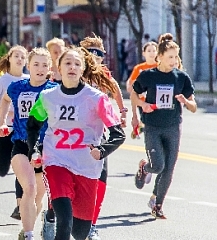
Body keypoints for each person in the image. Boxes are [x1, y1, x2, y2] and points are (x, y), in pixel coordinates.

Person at [28, 47, 125, 240]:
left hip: (87, 166)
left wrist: (102, 150)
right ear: (59, 68)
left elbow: (118, 134)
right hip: (56, 160)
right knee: (64, 219)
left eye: (77, 64)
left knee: (80, 233)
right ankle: (51, 218)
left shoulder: (97, 99)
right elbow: (32, 126)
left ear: (83, 70)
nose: (72, 67)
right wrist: (35, 150)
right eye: (67, 63)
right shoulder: (48, 97)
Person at [132, 33, 197, 219]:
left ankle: (157, 204)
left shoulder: (181, 78)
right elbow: (134, 95)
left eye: (176, 57)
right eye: (170, 57)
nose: (174, 61)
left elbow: (193, 106)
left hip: (173, 127)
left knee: (169, 169)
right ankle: (145, 167)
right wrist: (142, 106)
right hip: (153, 126)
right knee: (158, 166)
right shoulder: (148, 76)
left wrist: (185, 101)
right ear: (159, 57)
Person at [0, 48, 58, 240]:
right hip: (22, 145)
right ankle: (30, 235)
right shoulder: (17, 87)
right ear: (28, 66)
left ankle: (26, 229)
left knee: (38, 197)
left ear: (49, 68)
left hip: (45, 147)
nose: (40, 69)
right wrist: (3, 121)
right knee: (29, 188)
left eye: (44, 65)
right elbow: (5, 99)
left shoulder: (54, 90)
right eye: (36, 64)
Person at [79, 35, 127, 239]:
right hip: (74, 134)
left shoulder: (103, 75)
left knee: (100, 181)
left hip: (98, 134)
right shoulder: (76, 71)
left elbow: (115, 88)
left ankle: (91, 225)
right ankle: (55, 214)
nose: (96, 57)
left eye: (100, 54)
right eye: (92, 52)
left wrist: (122, 111)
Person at [0, 45, 29, 218]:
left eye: (22, 56)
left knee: (22, 168)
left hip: (23, 131)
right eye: (16, 56)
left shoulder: (29, 79)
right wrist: (8, 112)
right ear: (9, 59)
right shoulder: (2, 81)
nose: (19, 59)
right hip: (4, 128)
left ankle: (19, 206)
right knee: (3, 170)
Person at [127, 41, 158, 137]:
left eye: (154, 50)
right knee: (147, 120)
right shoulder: (139, 68)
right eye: (149, 51)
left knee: (155, 122)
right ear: (144, 53)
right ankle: (143, 128)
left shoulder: (160, 66)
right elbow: (131, 82)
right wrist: (132, 91)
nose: (152, 53)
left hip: (156, 100)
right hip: (142, 101)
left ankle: (143, 127)